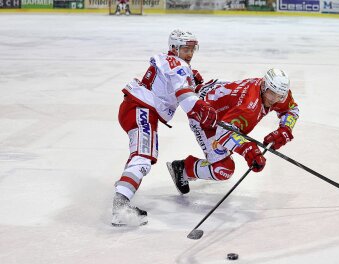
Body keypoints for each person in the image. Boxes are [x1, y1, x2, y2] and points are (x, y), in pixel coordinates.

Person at [111, 29, 217, 226]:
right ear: (174, 48)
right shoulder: (178, 64)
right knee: (142, 157)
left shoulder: (172, 62)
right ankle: (120, 206)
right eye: (186, 49)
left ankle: (124, 189)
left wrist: (193, 81)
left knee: (141, 156)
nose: (190, 53)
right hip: (141, 109)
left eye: (193, 49)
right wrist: (203, 109)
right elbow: (185, 97)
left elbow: (176, 83)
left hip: (137, 108)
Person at [167, 68, 299, 194]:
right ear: (264, 86)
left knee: (229, 146)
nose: (274, 99)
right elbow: (223, 133)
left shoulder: (276, 92)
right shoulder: (248, 106)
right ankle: (182, 169)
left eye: (279, 96)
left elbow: (291, 110)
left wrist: (285, 129)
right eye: (271, 93)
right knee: (223, 169)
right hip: (203, 116)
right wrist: (249, 150)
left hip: (217, 98)